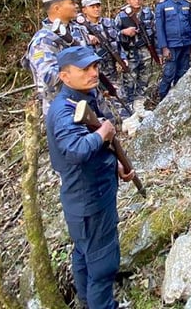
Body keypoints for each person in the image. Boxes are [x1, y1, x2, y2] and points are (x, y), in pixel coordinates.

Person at [46, 46, 135, 309]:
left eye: (94, 66)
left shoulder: (83, 98)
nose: (93, 72)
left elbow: (90, 152)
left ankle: (85, 300)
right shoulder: (65, 110)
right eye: (84, 69)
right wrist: (102, 134)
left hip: (90, 192)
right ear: (64, 76)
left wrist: (114, 167)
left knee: (85, 254)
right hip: (89, 200)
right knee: (103, 262)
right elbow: (75, 151)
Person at [24, 0, 90, 115]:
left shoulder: (78, 29)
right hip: (63, 108)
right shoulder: (43, 40)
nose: (76, 6)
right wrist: (84, 76)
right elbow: (50, 76)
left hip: (88, 100)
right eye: (71, 2)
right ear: (57, 8)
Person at [77, 0, 127, 106]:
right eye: (92, 7)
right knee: (100, 102)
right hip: (94, 72)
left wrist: (122, 58)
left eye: (98, 6)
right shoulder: (79, 28)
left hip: (112, 68)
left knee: (119, 97)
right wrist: (86, 38)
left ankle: (126, 118)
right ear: (84, 10)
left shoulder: (109, 22)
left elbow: (117, 43)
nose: (96, 9)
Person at [155, 0, 191, 100]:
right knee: (169, 73)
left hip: (186, 44)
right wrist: (164, 47)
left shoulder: (186, 4)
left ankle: (179, 98)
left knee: (182, 72)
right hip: (171, 45)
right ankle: (162, 98)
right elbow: (159, 28)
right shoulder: (163, 6)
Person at [114, 0, 156, 112]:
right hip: (130, 53)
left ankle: (140, 103)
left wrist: (158, 50)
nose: (137, 1)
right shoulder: (121, 16)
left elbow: (155, 31)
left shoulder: (148, 13)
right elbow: (113, 35)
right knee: (129, 80)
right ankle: (129, 106)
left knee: (145, 77)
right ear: (128, 0)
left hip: (146, 51)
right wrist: (123, 32)